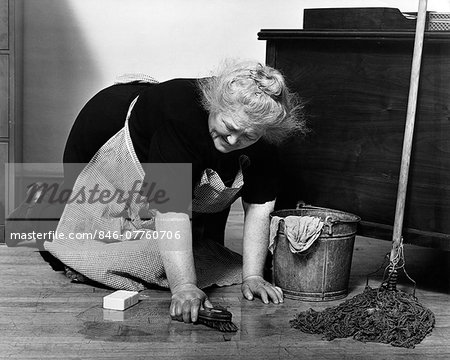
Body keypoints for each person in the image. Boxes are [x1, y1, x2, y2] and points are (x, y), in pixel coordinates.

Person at [48, 60, 307, 324]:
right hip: (105, 132)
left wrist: (253, 276)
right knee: (107, 244)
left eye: (247, 137)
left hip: (170, 142)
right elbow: (171, 209)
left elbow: (260, 207)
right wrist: (184, 287)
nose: (233, 141)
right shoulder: (180, 120)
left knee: (195, 250)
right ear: (213, 104)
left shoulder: (264, 139)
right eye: (229, 127)